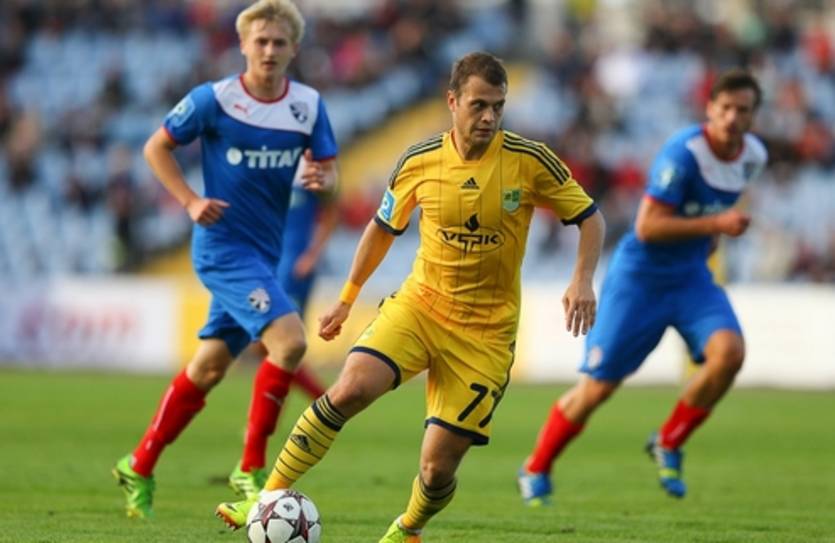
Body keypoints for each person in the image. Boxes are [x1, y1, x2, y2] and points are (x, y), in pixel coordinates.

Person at [215, 51, 605, 542]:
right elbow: (382, 229)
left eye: (498, 106)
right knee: (349, 389)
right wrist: (347, 298)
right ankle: (265, 498)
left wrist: (582, 279)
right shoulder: (420, 161)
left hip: (484, 335)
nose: (489, 117)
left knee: (437, 469)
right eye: (479, 105)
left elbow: (591, 218)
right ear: (452, 101)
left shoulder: (530, 161)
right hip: (420, 306)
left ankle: (409, 528)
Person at [111, 0, 338, 519]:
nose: (269, 50)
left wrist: (323, 179)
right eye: (261, 41)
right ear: (243, 45)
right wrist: (190, 201)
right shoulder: (213, 100)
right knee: (289, 341)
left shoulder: (307, 106)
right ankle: (252, 471)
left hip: (265, 253)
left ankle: (138, 463)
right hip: (222, 249)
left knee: (210, 367)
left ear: (294, 49)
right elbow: (155, 148)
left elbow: (330, 177)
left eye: (279, 42)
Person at [517, 69, 767, 505]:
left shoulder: (753, 157)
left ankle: (669, 441)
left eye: (742, 110)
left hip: (691, 277)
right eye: (725, 108)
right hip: (641, 279)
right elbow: (648, 226)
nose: (732, 117)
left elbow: (715, 205)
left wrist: (710, 232)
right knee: (598, 388)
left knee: (730, 354)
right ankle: (536, 467)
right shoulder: (683, 154)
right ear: (710, 108)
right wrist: (715, 224)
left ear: (753, 116)